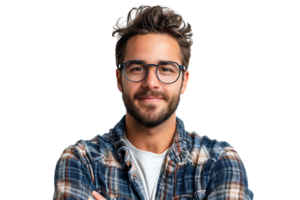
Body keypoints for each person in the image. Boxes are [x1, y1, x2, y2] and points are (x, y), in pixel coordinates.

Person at [52, 4, 256, 200]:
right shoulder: (80, 160)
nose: (151, 83)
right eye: (137, 68)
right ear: (118, 79)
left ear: (185, 81)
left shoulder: (220, 161)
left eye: (166, 69)